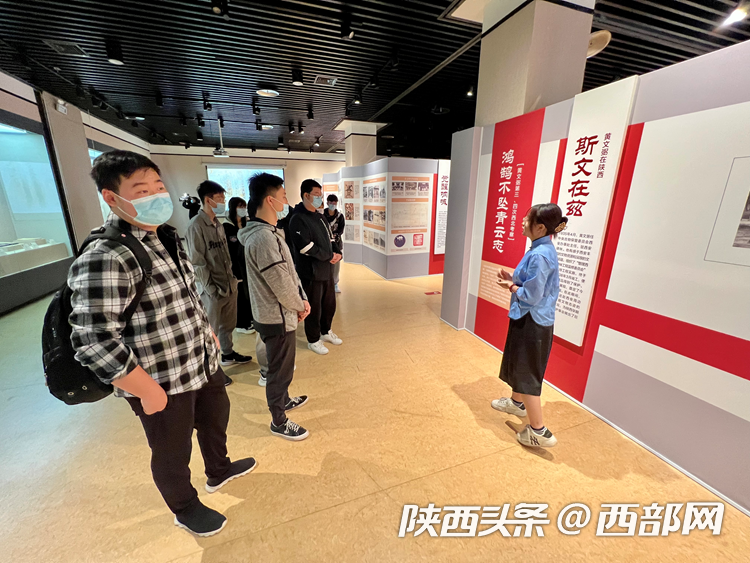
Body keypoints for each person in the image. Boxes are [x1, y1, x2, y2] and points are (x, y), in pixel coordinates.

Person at [68, 151, 255, 537]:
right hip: (160, 378)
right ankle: (184, 507)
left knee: (215, 419)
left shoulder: (165, 236)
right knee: (171, 450)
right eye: (142, 190)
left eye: (158, 186)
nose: (155, 195)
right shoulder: (106, 255)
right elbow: (92, 339)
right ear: (111, 197)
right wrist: (146, 390)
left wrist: (209, 336)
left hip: (200, 361)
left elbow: (184, 297)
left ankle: (219, 469)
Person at [238, 173, 311, 440]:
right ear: (270, 200)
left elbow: (289, 274)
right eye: (283, 196)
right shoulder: (263, 239)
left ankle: (285, 400)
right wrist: (299, 305)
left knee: (283, 368)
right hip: (276, 317)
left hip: (280, 313)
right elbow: (280, 283)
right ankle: (279, 421)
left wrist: (301, 300)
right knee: (279, 372)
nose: (286, 201)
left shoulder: (269, 233)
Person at [491, 203, 568, 448]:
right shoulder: (540, 248)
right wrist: (513, 279)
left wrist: (512, 287)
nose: (522, 222)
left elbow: (533, 295)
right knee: (520, 364)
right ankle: (517, 403)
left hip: (533, 320)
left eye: (527, 219)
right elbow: (535, 284)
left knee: (528, 373)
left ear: (541, 227)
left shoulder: (540, 254)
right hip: (529, 317)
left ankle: (538, 430)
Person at [185, 181, 252, 381]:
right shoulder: (196, 226)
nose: (223, 201)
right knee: (210, 330)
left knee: (227, 325)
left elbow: (226, 255)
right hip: (211, 289)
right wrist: (210, 288)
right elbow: (198, 262)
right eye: (220, 198)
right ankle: (211, 371)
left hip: (228, 284)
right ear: (208, 200)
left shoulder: (219, 224)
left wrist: (232, 280)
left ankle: (228, 354)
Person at [289, 180, 343, 355]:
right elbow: (306, 247)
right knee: (314, 307)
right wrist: (329, 256)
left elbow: (330, 238)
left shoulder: (320, 216)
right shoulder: (298, 218)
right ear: (306, 195)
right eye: (317, 195)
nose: (320, 198)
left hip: (327, 270)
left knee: (329, 304)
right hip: (311, 273)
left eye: (321, 195)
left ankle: (325, 331)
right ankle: (313, 340)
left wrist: (337, 252)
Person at [223, 197, 255, 335]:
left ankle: (249, 318)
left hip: (247, 264)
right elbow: (231, 250)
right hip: (236, 266)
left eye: (244, 206)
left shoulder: (246, 224)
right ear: (232, 208)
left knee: (248, 292)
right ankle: (241, 324)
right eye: (239, 206)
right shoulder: (227, 227)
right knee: (240, 294)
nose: (243, 209)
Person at [324, 193, 346, 293]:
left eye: (334, 203)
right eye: (331, 203)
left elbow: (341, 229)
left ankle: (335, 283)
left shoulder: (340, 216)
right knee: (326, 262)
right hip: (325, 244)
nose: (333, 205)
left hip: (336, 244)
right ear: (327, 203)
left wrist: (335, 235)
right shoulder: (322, 215)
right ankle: (327, 282)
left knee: (336, 264)